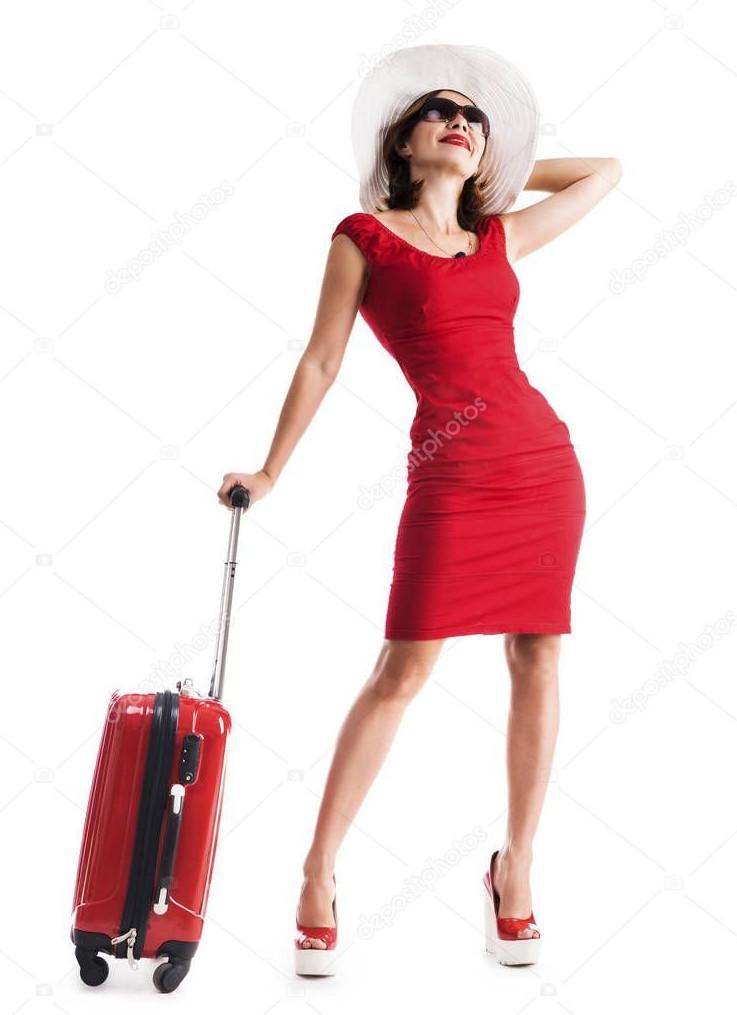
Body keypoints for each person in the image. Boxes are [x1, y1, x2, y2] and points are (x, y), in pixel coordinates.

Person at [216, 43, 621, 974]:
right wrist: (271, 470)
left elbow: (605, 171)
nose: (461, 121)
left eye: (475, 118)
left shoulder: (498, 235)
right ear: (400, 143)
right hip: (450, 472)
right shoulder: (364, 237)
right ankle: (317, 871)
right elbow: (321, 360)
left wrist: (498, 170)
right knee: (402, 670)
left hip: (540, 464)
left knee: (538, 656)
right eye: (439, 111)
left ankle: (515, 867)